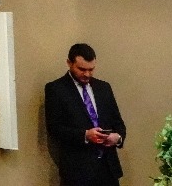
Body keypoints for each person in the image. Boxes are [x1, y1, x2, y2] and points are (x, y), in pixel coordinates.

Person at [45, 43, 127, 186]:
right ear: (69, 63)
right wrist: (86, 135)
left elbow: (118, 122)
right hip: (78, 172)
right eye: (82, 69)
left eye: (91, 69)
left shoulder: (104, 88)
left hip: (108, 169)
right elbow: (54, 128)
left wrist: (118, 138)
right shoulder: (56, 89)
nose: (87, 74)